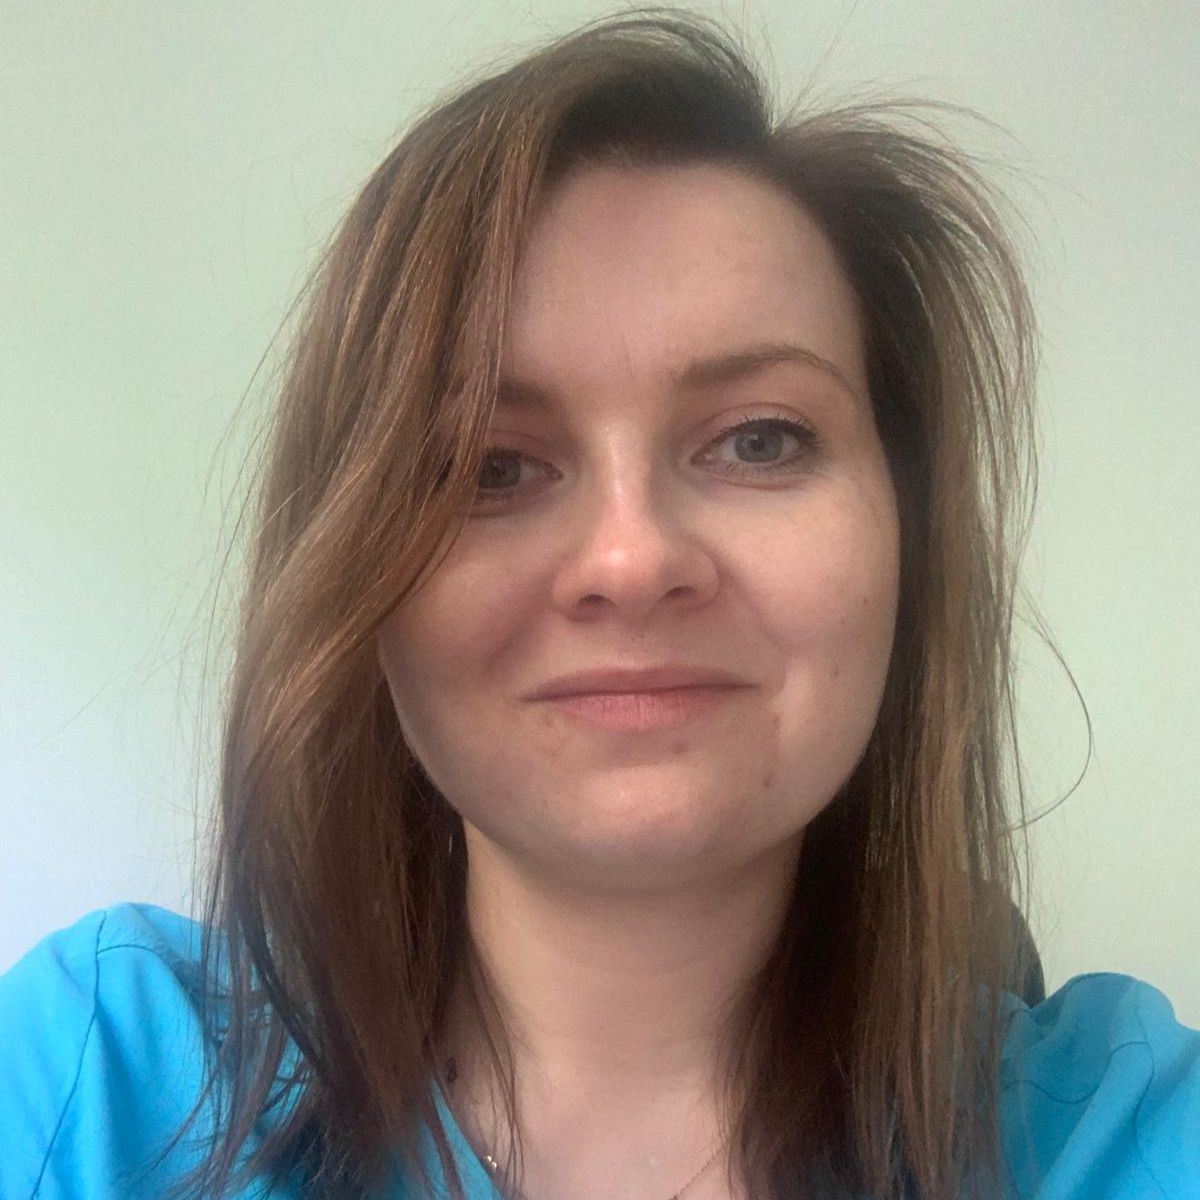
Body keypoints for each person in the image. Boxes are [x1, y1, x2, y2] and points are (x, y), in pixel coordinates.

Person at [2, 9, 1197, 1200]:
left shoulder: (1122, 1135)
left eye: (761, 439)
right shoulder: (95, 1080)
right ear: (354, 568)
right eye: (490, 467)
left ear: (905, 539)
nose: (631, 560)